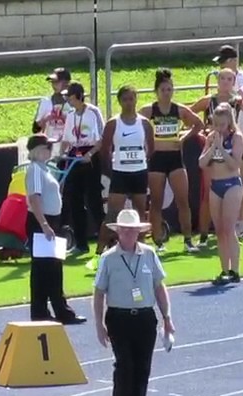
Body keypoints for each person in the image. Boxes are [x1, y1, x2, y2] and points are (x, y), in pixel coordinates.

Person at [92, 208, 174, 396]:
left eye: (132, 230)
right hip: (119, 318)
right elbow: (99, 292)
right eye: (125, 230)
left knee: (142, 368)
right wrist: (99, 324)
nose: (128, 233)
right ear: (118, 231)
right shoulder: (108, 258)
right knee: (124, 367)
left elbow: (159, 286)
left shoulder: (149, 254)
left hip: (145, 318)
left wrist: (167, 317)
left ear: (139, 231)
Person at [24, 134, 85, 324]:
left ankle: (42, 311)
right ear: (38, 150)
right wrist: (44, 224)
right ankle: (59, 311)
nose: (50, 151)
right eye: (48, 147)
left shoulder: (43, 169)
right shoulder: (35, 170)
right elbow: (34, 198)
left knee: (47, 268)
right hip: (42, 221)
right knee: (49, 268)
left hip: (49, 221)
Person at [139, 68, 200, 250]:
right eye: (163, 90)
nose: (166, 93)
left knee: (183, 201)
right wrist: (146, 142)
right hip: (156, 159)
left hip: (175, 159)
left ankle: (188, 240)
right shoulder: (149, 110)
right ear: (156, 91)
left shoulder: (179, 110)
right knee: (156, 202)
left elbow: (198, 124)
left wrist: (183, 138)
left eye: (169, 89)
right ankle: (158, 242)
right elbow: (133, 123)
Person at [97, 85, 154, 254]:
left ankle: (140, 251)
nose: (129, 103)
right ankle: (99, 253)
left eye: (131, 99)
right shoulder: (114, 123)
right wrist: (112, 170)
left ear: (136, 100)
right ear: (120, 102)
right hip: (120, 173)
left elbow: (151, 148)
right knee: (112, 215)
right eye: (125, 100)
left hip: (139, 173)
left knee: (140, 215)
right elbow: (105, 149)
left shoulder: (144, 123)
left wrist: (142, 163)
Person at [197, 103, 243, 286]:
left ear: (229, 123)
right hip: (215, 185)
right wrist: (212, 147)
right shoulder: (211, 137)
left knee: (228, 228)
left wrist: (221, 148)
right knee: (219, 231)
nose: (219, 128)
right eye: (216, 124)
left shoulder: (236, 138)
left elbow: (234, 165)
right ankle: (224, 270)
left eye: (222, 124)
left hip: (232, 184)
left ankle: (235, 270)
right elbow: (202, 163)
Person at [59, 81, 107, 255]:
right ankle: (81, 244)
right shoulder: (70, 115)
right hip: (74, 157)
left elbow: (101, 138)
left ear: (79, 96)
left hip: (90, 157)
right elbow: (66, 139)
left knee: (94, 201)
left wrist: (91, 154)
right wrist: (62, 154)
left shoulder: (93, 112)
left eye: (70, 97)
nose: (68, 100)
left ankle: (107, 241)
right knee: (75, 201)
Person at [33, 67, 71, 140]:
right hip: (49, 143)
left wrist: (64, 118)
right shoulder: (45, 102)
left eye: (57, 82)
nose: (54, 85)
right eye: (52, 82)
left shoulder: (73, 103)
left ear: (67, 82)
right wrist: (46, 118)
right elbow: (35, 130)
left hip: (68, 143)